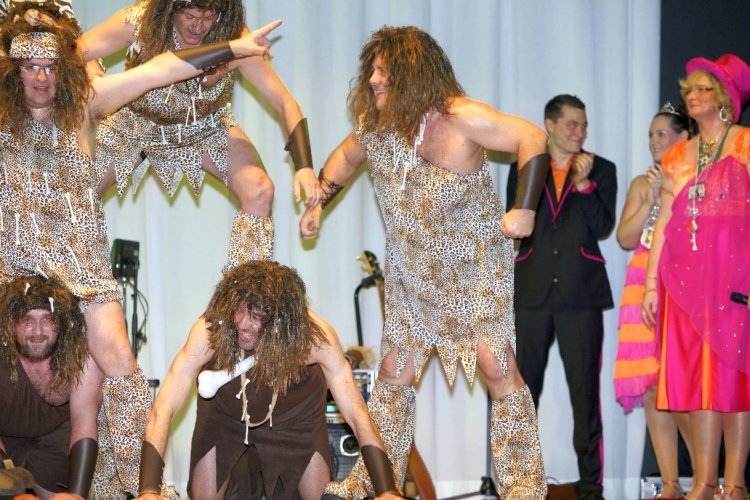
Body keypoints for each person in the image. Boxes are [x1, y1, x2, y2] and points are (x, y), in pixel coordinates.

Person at [0, 2, 280, 495]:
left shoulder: (86, 104)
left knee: (123, 371)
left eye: (49, 66)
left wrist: (232, 48)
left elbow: (161, 69)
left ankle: (139, 487)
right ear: (14, 70)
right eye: (30, 67)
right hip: (13, 265)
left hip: (82, 266)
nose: (41, 78)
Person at [300, 25, 550, 498]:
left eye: (384, 71)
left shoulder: (460, 116)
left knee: (496, 368)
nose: (374, 80)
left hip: (475, 272)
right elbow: (344, 160)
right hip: (412, 276)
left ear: (413, 73)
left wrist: (526, 209)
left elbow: (532, 136)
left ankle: (523, 486)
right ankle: (373, 483)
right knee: (393, 375)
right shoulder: (376, 128)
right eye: (372, 71)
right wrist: (319, 203)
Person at [80, 0, 321, 267]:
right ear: (171, 8)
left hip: (205, 126)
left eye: (208, 17)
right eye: (190, 16)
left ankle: (245, 289)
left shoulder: (235, 36)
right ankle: (74, 282)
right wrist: (95, 77)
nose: (198, 26)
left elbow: (285, 102)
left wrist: (305, 167)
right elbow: (75, 50)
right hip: (137, 122)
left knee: (260, 190)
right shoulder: (140, 20)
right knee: (77, 192)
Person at [134, 260, 401, 500]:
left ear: (280, 320)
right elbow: (164, 407)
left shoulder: (313, 338)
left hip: (297, 417)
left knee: (317, 495)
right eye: (239, 311)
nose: (243, 324)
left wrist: (386, 490)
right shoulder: (211, 330)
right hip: (224, 416)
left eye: (256, 317)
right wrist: (148, 490)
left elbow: (356, 413)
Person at [642, 54, 750, 500]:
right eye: (689, 89)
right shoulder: (677, 155)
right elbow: (665, 221)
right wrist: (651, 284)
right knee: (699, 381)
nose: (692, 95)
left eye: (703, 89)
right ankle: (705, 481)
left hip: (733, 276)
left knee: (733, 378)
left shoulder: (745, 144)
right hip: (683, 281)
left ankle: (735, 483)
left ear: (725, 97)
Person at [506, 94, 617, 500]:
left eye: (584, 125)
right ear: (550, 125)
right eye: (572, 124)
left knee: (585, 395)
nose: (580, 132)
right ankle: (519, 483)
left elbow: (603, 227)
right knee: (521, 394)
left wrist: (584, 186)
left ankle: (591, 488)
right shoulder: (525, 168)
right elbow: (517, 224)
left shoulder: (602, 169)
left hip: (581, 295)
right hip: (532, 292)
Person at [613, 103, 696, 499]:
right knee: (650, 386)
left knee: (678, 386)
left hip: (680, 281)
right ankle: (670, 483)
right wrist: (649, 198)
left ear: (684, 137)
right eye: (650, 134)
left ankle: (704, 478)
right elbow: (625, 237)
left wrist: (669, 192)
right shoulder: (641, 184)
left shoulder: (697, 179)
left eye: (662, 134)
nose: (654, 141)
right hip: (640, 280)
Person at [0, 276, 98, 498]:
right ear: (11, 322)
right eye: (26, 319)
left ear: (61, 322)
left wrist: (76, 495)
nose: (37, 331)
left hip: (55, 440)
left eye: (47, 319)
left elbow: (84, 420)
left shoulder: (81, 357)